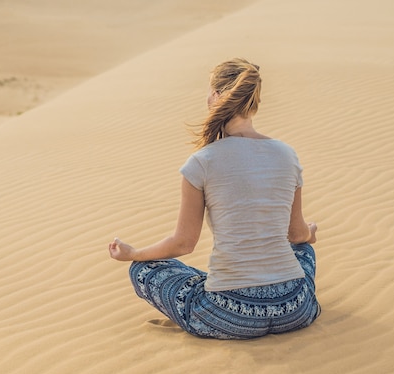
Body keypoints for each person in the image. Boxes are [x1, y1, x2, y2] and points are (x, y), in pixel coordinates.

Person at [109, 58, 320, 340]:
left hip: (231, 314)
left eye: (210, 91)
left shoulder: (201, 162)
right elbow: (296, 233)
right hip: (294, 308)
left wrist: (133, 254)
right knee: (304, 249)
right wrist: (311, 234)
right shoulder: (287, 155)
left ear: (218, 97)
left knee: (143, 269)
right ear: (254, 103)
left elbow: (184, 243)